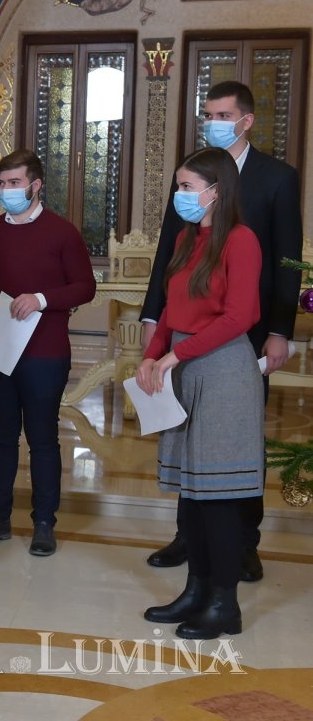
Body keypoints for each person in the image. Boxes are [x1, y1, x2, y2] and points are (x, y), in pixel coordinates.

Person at [141, 80, 301, 582]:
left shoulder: (276, 178)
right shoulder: (192, 178)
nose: (212, 122)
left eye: (222, 115)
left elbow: (287, 258)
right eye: (207, 114)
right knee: (190, 440)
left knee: (235, 444)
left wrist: (281, 329)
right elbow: (170, 258)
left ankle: (242, 544)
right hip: (189, 330)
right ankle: (190, 538)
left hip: (242, 334)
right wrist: (154, 324)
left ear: (246, 120)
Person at [136, 146, 263, 640]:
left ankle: (224, 604)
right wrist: (153, 353)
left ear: (216, 190)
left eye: (187, 187)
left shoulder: (241, 240)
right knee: (191, 491)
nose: (180, 195)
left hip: (224, 369)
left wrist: (176, 356)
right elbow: (172, 307)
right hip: (185, 364)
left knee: (218, 494)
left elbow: (241, 316)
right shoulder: (187, 238)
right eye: (179, 186)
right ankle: (196, 589)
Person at [0, 149, 95, 557]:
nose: (6, 191)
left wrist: (42, 299)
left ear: (35, 185)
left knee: (43, 439)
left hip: (45, 354)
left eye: (14, 183)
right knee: (0, 438)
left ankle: (44, 522)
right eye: (1, 183)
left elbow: (85, 287)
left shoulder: (62, 233)